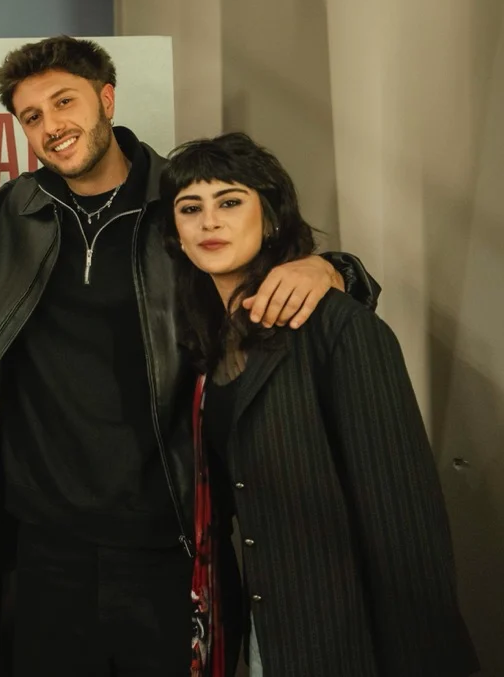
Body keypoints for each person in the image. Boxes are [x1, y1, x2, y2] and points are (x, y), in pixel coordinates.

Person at [0, 35, 376, 676]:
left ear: (107, 99)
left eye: (64, 102)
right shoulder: (8, 215)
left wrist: (333, 268)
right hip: (44, 546)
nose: (51, 126)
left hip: (166, 537)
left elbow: (264, 257)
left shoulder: (178, 203)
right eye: (32, 116)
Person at [161, 133, 477, 677]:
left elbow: (405, 524)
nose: (209, 222)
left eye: (230, 202)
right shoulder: (205, 345)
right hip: (265, 635)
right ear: (176, 234)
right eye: (191, 209)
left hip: (346, 642)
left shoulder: (338, 327)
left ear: (270, 218)